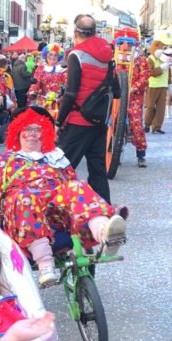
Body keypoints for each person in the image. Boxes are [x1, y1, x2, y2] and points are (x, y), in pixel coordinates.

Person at [0, 107, 127, 286]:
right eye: (27, 129)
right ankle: (45, 265)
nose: (32, 134)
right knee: (24, 197)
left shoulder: (56, 158)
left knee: (77, 186)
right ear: (18, 131)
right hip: (21, 214)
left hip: (56, 213)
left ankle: (104, 233)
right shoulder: (1, 161)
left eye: (37, 129)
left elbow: (74, 190)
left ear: (45, 132)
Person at [56, 14, 119, 203]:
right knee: (98, 171)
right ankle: (104, 215)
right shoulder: (107, 55)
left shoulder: (77, 55)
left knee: (61, 168)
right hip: (99, 121)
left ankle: (54, 213)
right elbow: (117, 91)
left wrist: (58, 121)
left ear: (75, 33)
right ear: (94, 32)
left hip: (78, 119)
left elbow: (70, 93)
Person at [113, 29, 148, 168]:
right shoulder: (114, 59)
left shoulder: (141, 60)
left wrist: (134, 87)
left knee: (136, 123)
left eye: (129, 43)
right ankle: (116, 151)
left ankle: (141, 154)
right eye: (122, 43)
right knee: (114, 123)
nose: (125, 46)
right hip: (117, 97)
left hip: (134, 97)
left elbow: (145, 77)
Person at [26, 43, 67, 122]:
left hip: (58, 102)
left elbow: (67, 84)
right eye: (50, 54)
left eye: (55, 55)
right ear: (46, 55)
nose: (52, 57)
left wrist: (62, 94)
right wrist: (32, 92)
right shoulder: (41, 68)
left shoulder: (63, 70)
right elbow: (36, 82)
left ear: (59, 57)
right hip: (43, 101)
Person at [144, 40, 172, 134]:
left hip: (163, 85)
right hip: (153, 85)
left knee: (161, 108)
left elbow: (169, 72)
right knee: (150, 106)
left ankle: (157, 127)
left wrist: (170, 83)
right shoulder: (151, 58)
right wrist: (161, 68)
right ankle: (147, 124)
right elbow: (150, 72)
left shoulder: (166, 58)